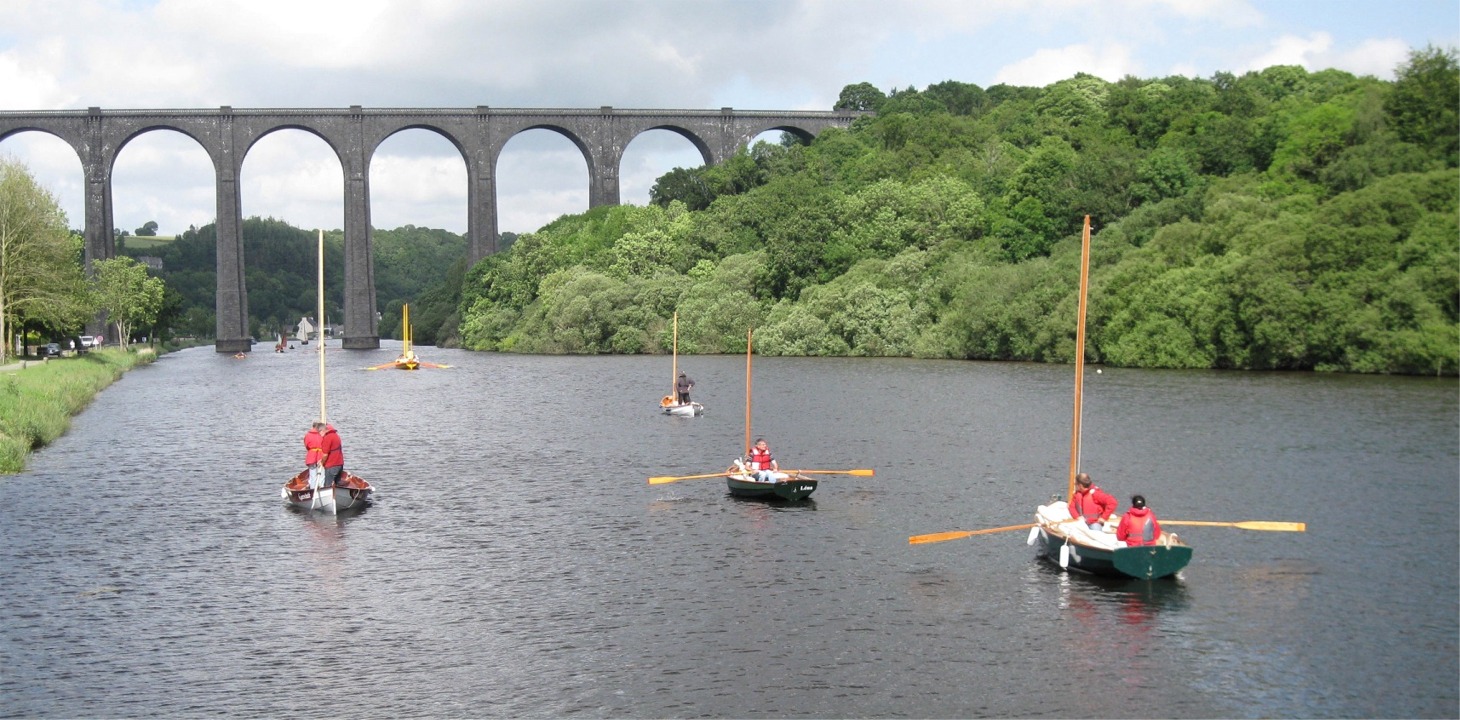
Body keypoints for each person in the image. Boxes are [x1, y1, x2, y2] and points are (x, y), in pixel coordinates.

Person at [317, 422, 345, 488]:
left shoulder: (327, 438)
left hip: (332, 466)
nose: (319, 434)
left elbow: (325, 454)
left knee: (327, 485)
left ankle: (329, 496)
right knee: (337, 484)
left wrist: (321, 462)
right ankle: (336, 496)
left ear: (322, 430)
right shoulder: (336, 435)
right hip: (339, 464)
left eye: (319, 432)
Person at [302, 422, 325, 488]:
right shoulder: (322, 434)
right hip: (320, 455)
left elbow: (307, 445)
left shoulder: (308, 435)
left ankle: (312, 488)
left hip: (311, 455)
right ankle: (322, 488)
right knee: (322, 474)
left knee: (312, 475)